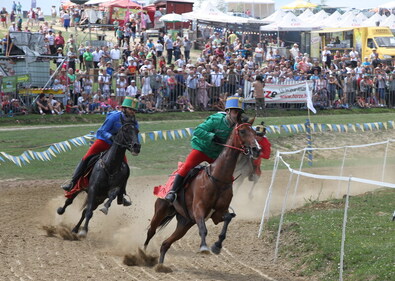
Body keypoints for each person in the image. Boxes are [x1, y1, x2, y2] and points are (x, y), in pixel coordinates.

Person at [61, 97, 140, 206]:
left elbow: (135, 136)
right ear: (124, 108)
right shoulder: (114, 117)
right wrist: (110, 137)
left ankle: (121, 195)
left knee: (125, 168)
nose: (133, 112)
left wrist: (135, 146)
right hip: (103, 142)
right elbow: (101, 131)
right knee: (85, 159)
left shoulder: (134, 122)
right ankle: (72, 182)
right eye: (131, 109)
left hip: (117, 148)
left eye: (135, 110)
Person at [164, 96, 245, 203]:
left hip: (216, 154)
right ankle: (172, 192)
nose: (237, 115)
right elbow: (197, 131)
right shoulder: (216, 120)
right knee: (187, 166)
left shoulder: (238, 126)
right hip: (202, 148)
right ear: (228, 111)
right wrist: (211, 136)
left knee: (228, 176)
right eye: (235, 111)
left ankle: (224, 201)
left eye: (240, 113)